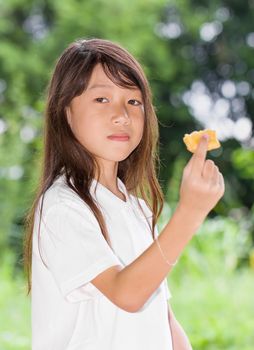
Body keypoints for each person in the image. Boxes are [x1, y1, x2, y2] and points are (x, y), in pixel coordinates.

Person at [23, 38, 225, 350]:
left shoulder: (139, 209)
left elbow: (164, 318)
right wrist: (191, 213)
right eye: (102, 99)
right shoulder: (62, 206)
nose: (122, 115)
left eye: (134, 102)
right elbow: (127, 294)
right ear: (66, 112)